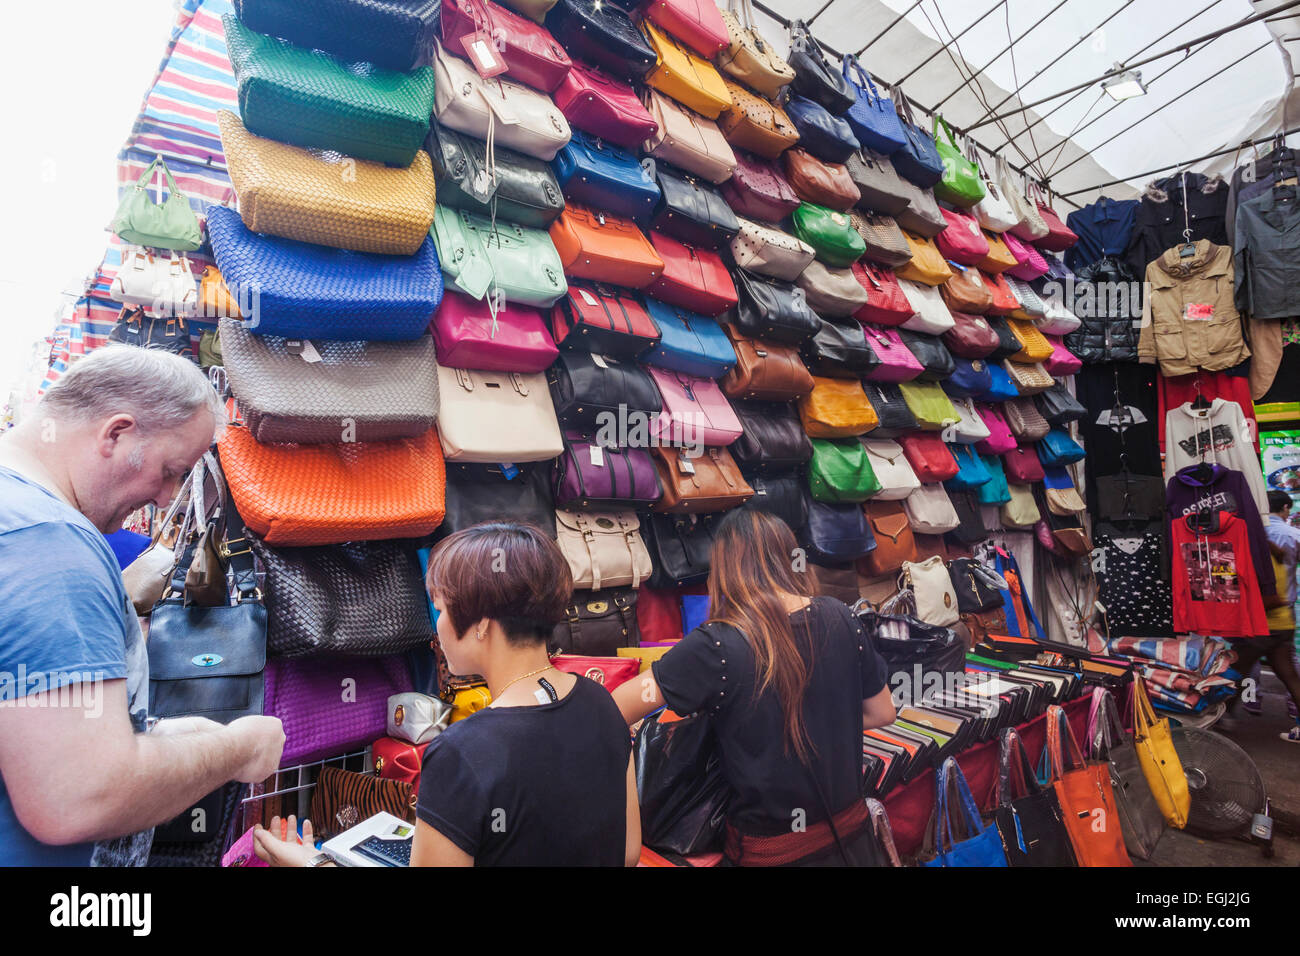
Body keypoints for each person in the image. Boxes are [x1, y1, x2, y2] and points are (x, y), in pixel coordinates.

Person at [0, 345, 285, 866]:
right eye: (171, 469)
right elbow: (76, 796)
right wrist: (237, 750)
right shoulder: (52, 544)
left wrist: (171, 737)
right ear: (117, 433)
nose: (165, 498)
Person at [254, 522, 639, 867]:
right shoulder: (601, 702)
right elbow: (626, 852)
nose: (436, 627)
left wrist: (313, 863)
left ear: (483, 625)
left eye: (440, 609)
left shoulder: (463, 752)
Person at [612, 509, 897, 866]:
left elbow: (613, 709)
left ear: (725, 568)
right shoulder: (841, 616)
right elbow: (882, 711)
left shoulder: (716, 645)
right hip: (853, 847)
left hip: (772, 856)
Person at [1242, 490, 1300, 742]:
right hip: (1284, 615)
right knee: (1288, 670)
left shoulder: (1253, 538)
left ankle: (1247, 702)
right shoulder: (1292, 536)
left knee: (1240, 666)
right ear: (1285, 508)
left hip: (1260, 618)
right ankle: (1291, 707)